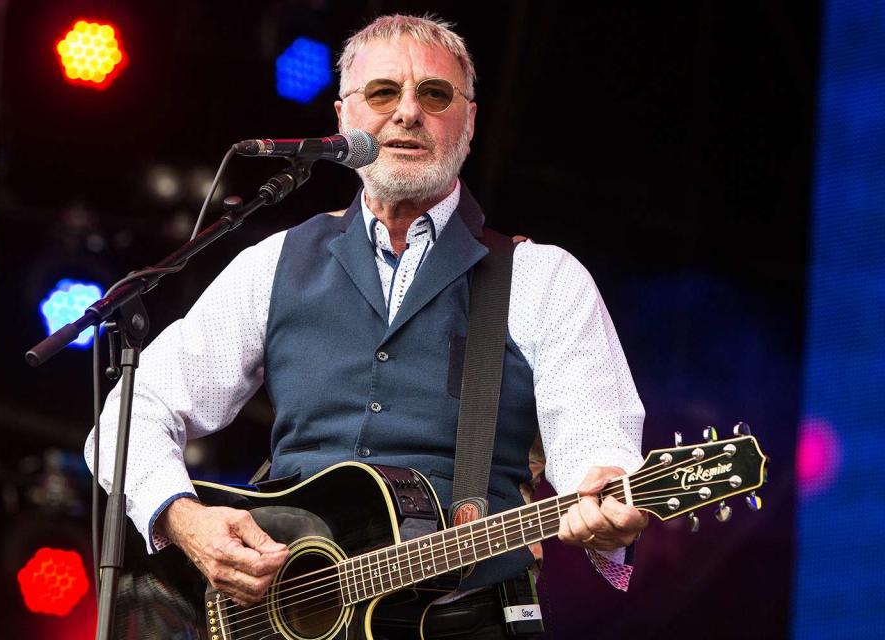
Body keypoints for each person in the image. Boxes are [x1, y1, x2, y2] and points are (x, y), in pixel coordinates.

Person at [86, 13, 648, 637]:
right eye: (383, 92)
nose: (408, 112)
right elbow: (127, 414)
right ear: (342, 119)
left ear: (469, 122)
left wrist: (605, 492)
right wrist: (181, 518)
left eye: (434, 95)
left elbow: (597, 444)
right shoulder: (274, 263)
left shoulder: (543, 278)